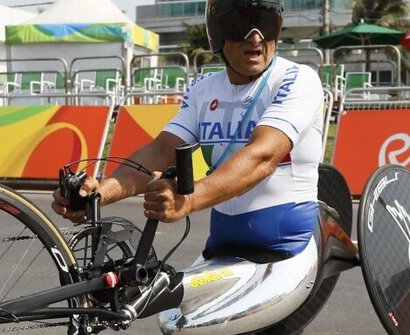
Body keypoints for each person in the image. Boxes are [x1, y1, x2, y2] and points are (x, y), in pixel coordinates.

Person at [52, 0, 324, 260]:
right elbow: (160, 152)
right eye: (240, 25)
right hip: (224, 246)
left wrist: (188, 201)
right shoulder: (204, 87)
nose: (255, 38)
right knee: (143, 305)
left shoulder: (298, 78)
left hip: (289, 248)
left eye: (266, 24)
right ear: (218, 33)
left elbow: (262, 157)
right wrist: (98, 194)